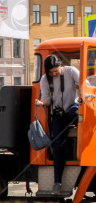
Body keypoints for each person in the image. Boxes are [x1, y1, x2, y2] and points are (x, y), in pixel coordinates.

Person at [36, 54, 80, 195]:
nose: (54, 74)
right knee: (58, 144)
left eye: (56, 71)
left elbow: (85, 85)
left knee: (77, 114)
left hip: (72, 107)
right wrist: (42, 103)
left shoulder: (71, 71)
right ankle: (57, 182)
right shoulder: (45, 79)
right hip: (58, 113)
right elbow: (47, 99)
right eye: (51, 72)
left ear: (61, 66)